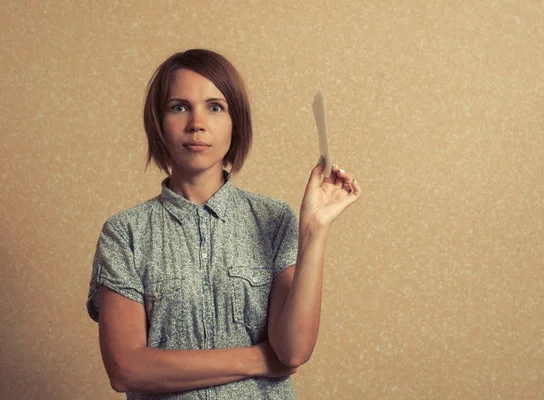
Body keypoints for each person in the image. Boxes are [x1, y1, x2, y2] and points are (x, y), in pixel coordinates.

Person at [86, 49, 361, 399]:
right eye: (179, 106)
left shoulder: (273, 220)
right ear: (158, 122)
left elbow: (292, 351)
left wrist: (314, 229)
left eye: (215, 107)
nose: (196, 123)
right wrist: (258, 359)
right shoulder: (125, 233)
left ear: (236, 122)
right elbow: (126, 369)